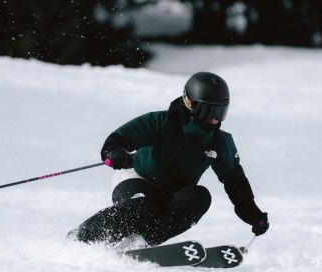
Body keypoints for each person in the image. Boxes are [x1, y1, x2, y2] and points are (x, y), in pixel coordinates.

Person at [69, 71, 269, 248]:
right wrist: (115, 151)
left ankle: (141, 240)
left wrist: (253, 214)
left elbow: (235, 181)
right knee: (141, 206)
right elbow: (119, 138)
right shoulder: (162, 122)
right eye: (209, 111)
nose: (215, 119)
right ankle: (81, 240)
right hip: (137, 178)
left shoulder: (220, 142)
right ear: (190, 103)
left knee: (200, 197)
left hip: (172, 195)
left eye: (220, 112)